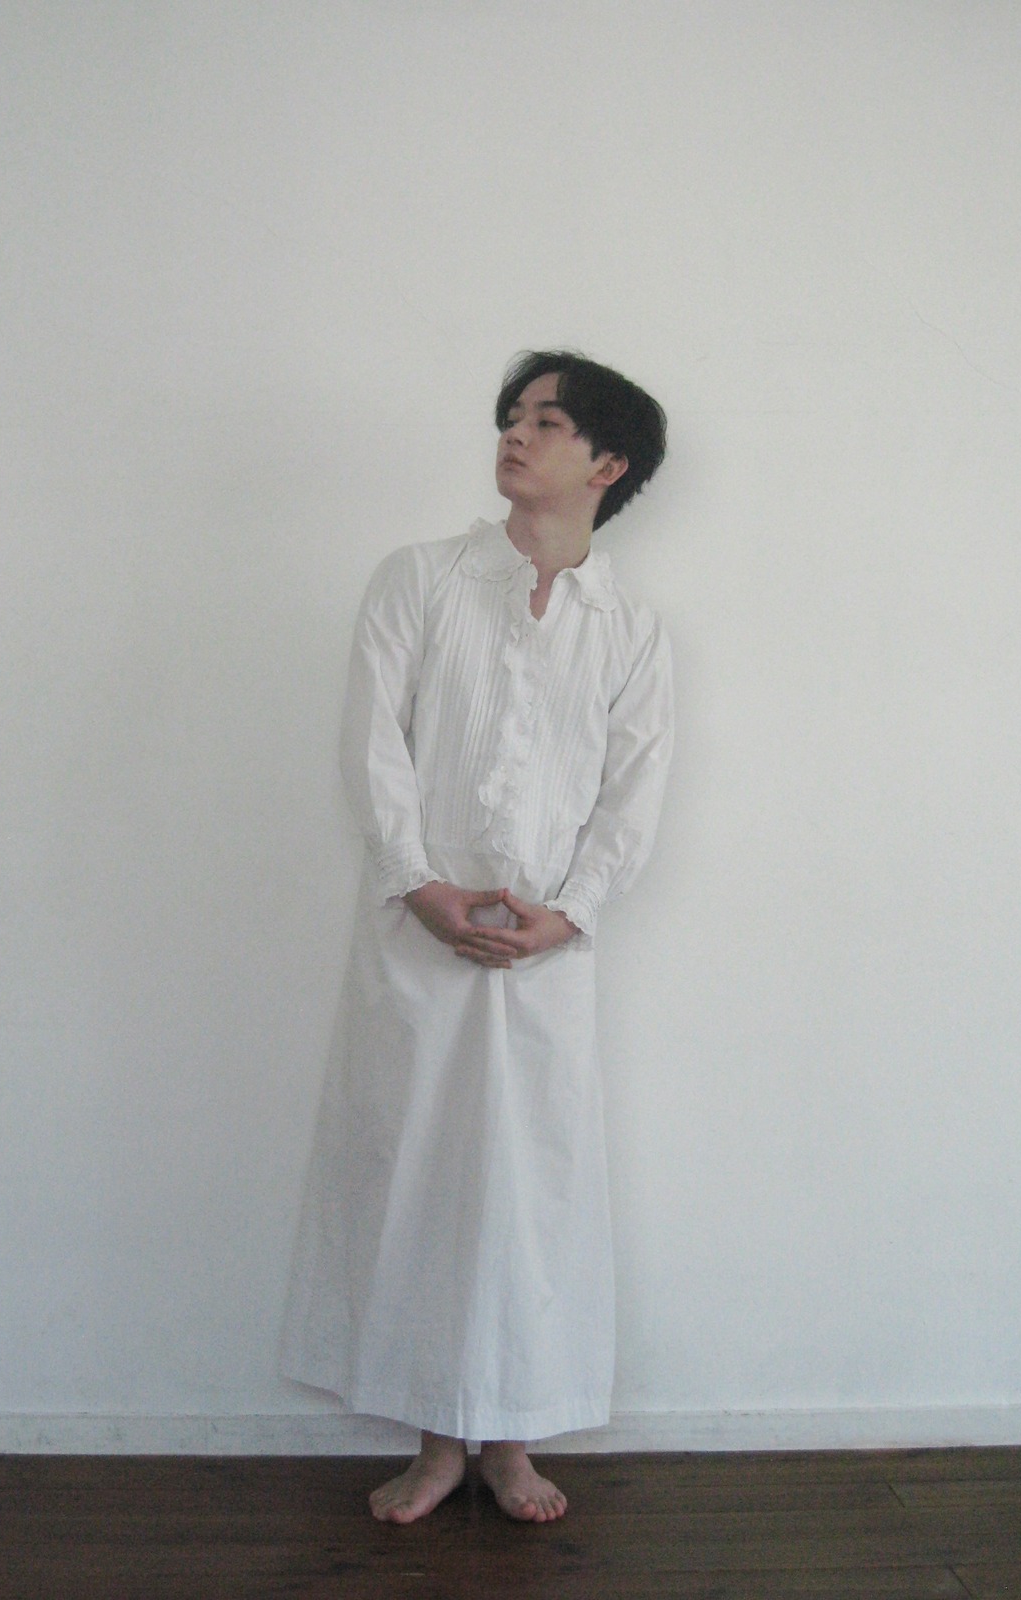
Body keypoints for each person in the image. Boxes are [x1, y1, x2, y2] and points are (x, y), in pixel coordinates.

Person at [279, 350, 674, 1524]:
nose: (514, 433)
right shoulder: (419, 580)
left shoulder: (628, 627)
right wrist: (418, 885)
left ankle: (511, 1439)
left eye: (547, 421)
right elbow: (372, 746)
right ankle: (434, 1440)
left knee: (528, 1193)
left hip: (542, 953)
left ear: (606, 463)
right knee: (414, 1178)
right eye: (511, 415)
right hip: (419, 936)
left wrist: (572, 910)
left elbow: (635, 790)